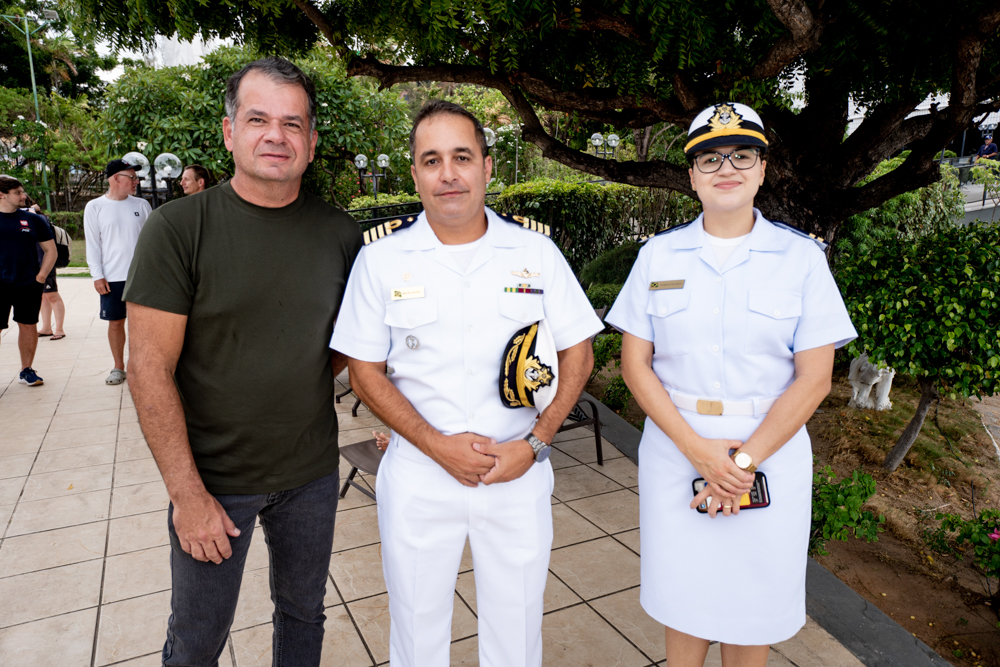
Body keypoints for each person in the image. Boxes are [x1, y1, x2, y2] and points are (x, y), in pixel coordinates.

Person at [330, 100, 602, 667]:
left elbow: (579, 352)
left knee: (516, 631)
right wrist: (437, 445)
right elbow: (364, 371)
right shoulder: (381, 260)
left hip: (517, 469)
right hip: (420, 474)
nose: (448, 174)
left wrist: (538, 442)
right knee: (416, 630)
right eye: (432, 160)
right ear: (415, 174)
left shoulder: (535, 252)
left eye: (462, 157)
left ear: (486, 166)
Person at [124, 56, 362, 667]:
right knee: (198, 640)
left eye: (292, 123)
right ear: (230, 132)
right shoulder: (179, 228)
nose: (275, 135)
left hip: (311, 473)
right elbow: (147, 369)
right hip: (214, 480)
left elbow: (348, 344)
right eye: (258, 119)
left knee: (304, 617)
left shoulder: (341, 234)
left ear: (312, 141)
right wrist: (187, 495)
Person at [606, 102, 858, 667]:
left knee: (753, 605)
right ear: (692, 175)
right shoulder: (658, 255)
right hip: (677, 448)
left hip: (770, 451)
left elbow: (815, 378)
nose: (726, 168)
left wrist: (741, 465)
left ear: (763, 170)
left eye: (742, 155)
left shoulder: (801, 258)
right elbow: (635, 365)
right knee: (684, 598)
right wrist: (700, 453)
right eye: (710, 158)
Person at [84, 159, 151, 384]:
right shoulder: (95, 207)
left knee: (143, 324)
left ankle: (142, 365)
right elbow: (93, 244)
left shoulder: (142, 205)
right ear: (115, 178)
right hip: (112, 277)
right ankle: (118, 367)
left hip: (141, 276)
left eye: (136, 177)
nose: (136, 181)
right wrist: (97, 276)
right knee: (115, 323)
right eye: (131, 177)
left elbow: (152, 241)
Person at [0, 176, 57, 385]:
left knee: (28, 325)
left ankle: (26, 370)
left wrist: (40, 277)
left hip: (28, 283)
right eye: (18, 192)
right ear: (2, 195)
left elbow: (51, 251)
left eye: (22, 191)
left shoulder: (33, 220)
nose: (24, 196)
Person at [25, 197, 67, 340]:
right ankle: (46, 328)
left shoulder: (39, 218)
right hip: (34, 264)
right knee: (43, 296)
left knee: (52, 295)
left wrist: (32, 211)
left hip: (45, 263)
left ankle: (59, 329)